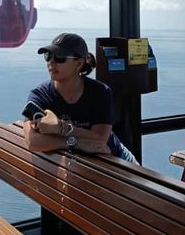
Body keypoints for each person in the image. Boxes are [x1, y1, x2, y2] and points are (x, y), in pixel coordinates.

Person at [23, 32, 138, 164]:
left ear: (78, 64)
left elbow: (100, 139)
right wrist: (76, 143)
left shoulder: (101, 92)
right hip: (81, 165)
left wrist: (60, 128)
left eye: (59, 57)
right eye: (48, 56)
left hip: (115, 157)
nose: (51, 62)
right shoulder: (39, 96)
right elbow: (32, 141)